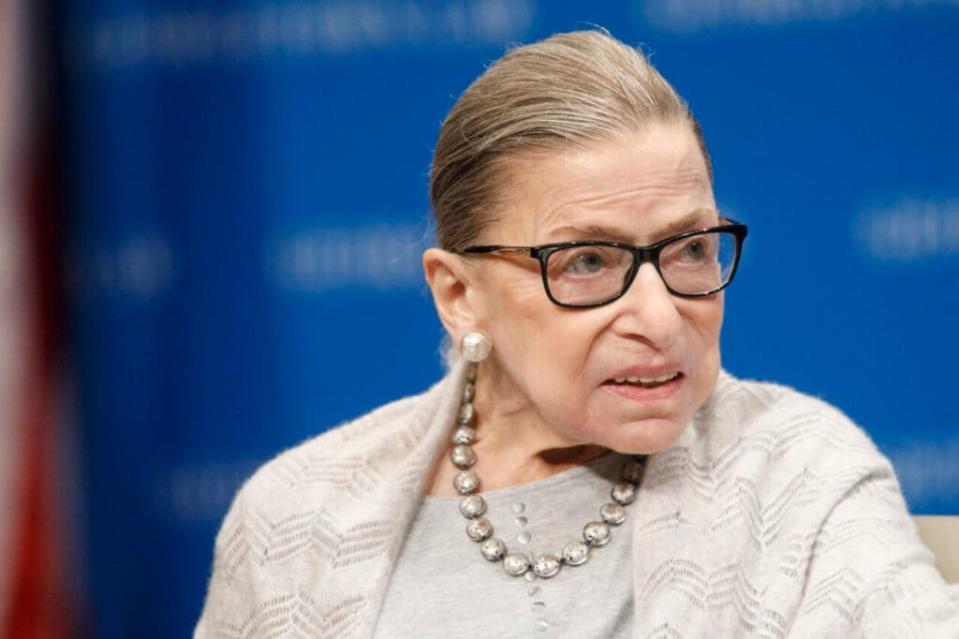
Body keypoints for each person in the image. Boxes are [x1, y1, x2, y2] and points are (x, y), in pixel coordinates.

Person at [195, 29, 959, 638]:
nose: (660, 318)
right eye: (587, 261)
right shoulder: (295, 517)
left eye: (690, 247)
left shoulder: (799, 471)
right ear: (458, 293)